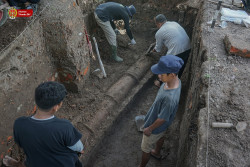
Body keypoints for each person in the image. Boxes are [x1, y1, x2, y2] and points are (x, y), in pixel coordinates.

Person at [3, 81, 84, 167]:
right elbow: (79, 148)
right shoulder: (64, 127)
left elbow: (21, 143)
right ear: (56, 107)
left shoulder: (19, 123)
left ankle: (16, 164)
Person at [138, 55, 183, 167]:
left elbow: (162, 118)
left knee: (145, 149)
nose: (158, 76)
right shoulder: (176, 81)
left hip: (155, 127)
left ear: (172, 75)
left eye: (161, 74)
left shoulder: (169, 98)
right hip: (163, 127)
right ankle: (157, 152)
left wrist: (149, 128)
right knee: (161, 136)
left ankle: (141, 166)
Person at [151, 14, 191, 80]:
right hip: (188, 47)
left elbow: (158, 48)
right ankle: (176, 82)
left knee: (167, 65)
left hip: (177, 51)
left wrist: (153, 51)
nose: (157, 26)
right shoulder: (174, 23)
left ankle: (161, 83)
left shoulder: (159, 32)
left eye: (156, 24)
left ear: (159, 23)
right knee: (180, 67)